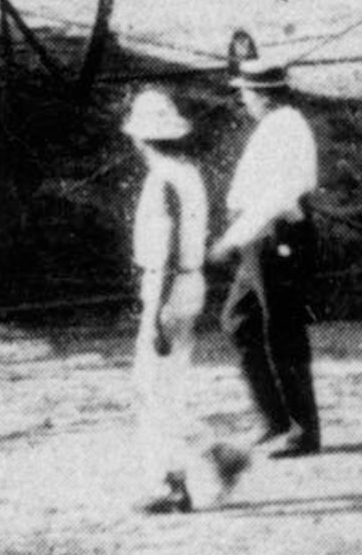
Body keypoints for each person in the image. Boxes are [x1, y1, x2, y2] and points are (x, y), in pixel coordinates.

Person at [121, 88, 243, 515]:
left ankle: (182, 474)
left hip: (168, 289)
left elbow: (167, 249)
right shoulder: (189, 173)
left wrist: (154, 312)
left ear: (140, 139)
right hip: (189, 284)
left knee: (153, 391)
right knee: (162, 390)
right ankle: (196, 467)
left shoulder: (162, 181)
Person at [209, 31, 324, 458]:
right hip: (260, 239)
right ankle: (274, 417)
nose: (244, 101)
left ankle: (301, 430)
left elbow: (277, 197)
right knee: (239, 322)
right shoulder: (276, 125)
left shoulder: (286, 129)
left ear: (263, 95)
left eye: (246, 94)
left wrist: (231, 239)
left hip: (276, 236)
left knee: (283, 332)